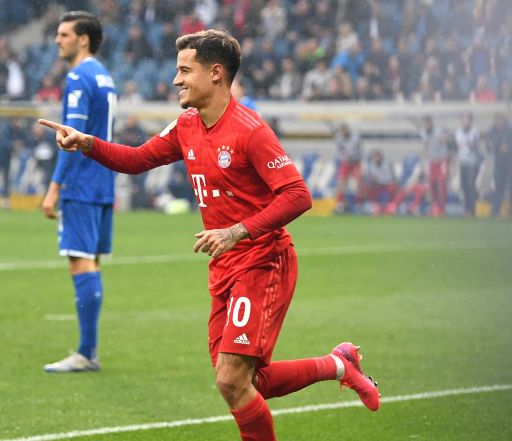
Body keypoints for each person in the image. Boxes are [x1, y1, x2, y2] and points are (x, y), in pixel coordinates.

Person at [39, 29, 380, 441]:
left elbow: (297, 195)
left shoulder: (250, 130)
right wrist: (87, 143)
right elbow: (138, 159)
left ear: (216, 73)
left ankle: (338, 367)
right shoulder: (187, 124)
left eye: (185, 71)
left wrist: (237, 231)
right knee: (244, 383)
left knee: (232, 380)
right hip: (224, 266)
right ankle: (339, 365)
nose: (175, 80)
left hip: (263, 262)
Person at [41, 11, 117, 373]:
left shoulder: (77, 77)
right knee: (92, 262)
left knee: (80, 261)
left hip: (81, 183)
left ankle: (87, 352)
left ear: (83, 39)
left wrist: (54, 188)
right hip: (103, 181)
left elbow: (70, 138)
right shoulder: (104, 76)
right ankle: (89, 350)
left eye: (64, 34)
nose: (58, 40)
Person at [419, 115, 452, 217]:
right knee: (432, 184)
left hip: (442, 160)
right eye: (424, 124)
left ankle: (442, 208)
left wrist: (446, 136)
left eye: (427, 123)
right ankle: (435, 206)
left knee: (442, 184)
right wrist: (423, 160)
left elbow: (449, 139)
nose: (426, 126)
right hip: (432, 161)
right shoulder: (423, 133)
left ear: (431, 123)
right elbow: (425, 146)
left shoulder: (439, 131)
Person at [0, 117, 25, 199]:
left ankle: (5, 197)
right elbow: (4, 142)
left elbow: (23, 140)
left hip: (7, 157)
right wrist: (13, 144)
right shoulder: (5, 128)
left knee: (6, 178)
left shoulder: (17, 131)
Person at [454, 113, 482, 217]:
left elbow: (475, 145)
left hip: (472, 163)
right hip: (463, 162)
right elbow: (457, 146)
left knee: (471, 185)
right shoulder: (458, 132)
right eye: (463, 120)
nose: (465, 122)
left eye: (466, 120)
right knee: (464, 186)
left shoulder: (475, 132)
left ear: (470, 121)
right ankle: (467, 208)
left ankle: (473, 209)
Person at [486, 113, 512, 217]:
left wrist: (508, 148)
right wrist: (492, 145)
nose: (499, 122)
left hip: (510, 161)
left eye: (500, 120)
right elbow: (489, 146)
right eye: (497, 120)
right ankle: (495, 211)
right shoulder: (492, 131)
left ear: (504, 121)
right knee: (498, 187)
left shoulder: (509, 130)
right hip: (499, 163)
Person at [334, 123, 363, 213]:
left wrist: (351, 157)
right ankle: (340, 204)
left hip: (355, 162)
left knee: (358, 183)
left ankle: (359, 204)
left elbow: (358, 151)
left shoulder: (355, 138)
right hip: (345, 163)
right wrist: (344, 158)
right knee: (341, 183)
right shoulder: (339, 139)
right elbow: (339, 151)